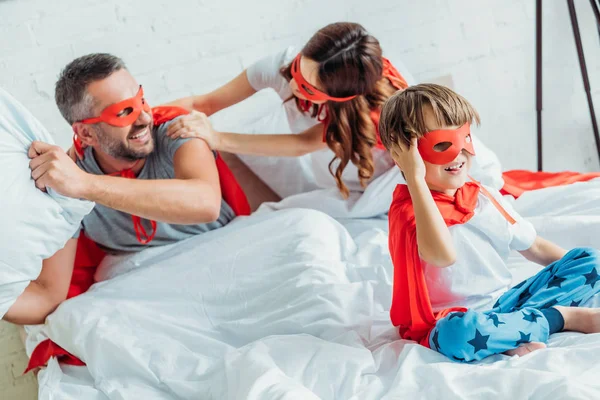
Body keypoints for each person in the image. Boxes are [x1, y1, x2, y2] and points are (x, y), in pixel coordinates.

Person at [5, 53, 247, 325]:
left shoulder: (175, 129)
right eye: (124, 112)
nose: (144, 117)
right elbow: (47, 298)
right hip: (146, 288)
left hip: (224, 257)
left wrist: (86, 185)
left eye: (141, 99)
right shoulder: (68, 180)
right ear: (86, 134)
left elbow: (206, 203)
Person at [380, 83, 600, 362]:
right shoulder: (410, 210)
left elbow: (536, 247)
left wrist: (584, 272)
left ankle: (515, 331)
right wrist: (415, 178)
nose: (458, 154)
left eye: (464, 139)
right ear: (406, 153)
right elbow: (442, 255)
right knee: (458, 335)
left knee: (590, 260)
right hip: (450, 320)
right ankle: (561, 318)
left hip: (507, 304)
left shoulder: (481, 195)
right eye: (441, 145)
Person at [165, 22, 504, 200]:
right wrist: (150, 114)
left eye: (311, 89)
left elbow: (302, 144)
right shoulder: (280, 66)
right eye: (299, 68)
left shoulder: (377, 108)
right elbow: (203, 104)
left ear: (342, 99)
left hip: (407, 170)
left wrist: (217, 137)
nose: (295, 85)